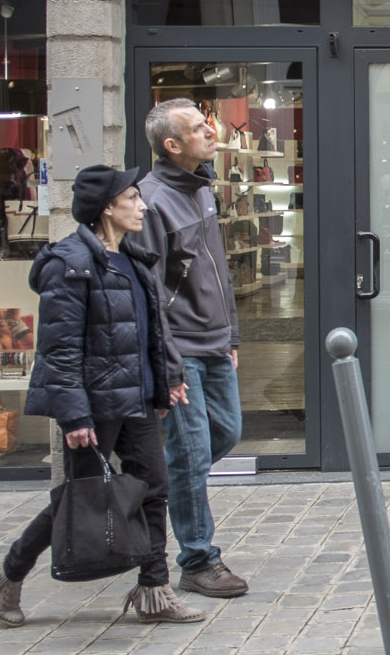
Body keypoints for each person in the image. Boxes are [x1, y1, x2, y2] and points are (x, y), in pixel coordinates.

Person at [0, 165, 202, 626]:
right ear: (107, 207)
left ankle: (153, 591)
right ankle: (8, 573)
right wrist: (74, 416)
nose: (143, 206)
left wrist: (169, 378)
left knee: (153, 489)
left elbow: (153, 332)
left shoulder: (135, 259)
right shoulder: (70, 264)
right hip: (94, 405)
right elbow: (59, 351)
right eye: (133, 198)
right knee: (81, 498)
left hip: (137, 398)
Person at [136, 98, 249, 597]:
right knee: (192, 452)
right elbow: (151, 291)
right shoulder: (151, 201)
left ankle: (156, 477)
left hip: (215, 343)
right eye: (200, 128)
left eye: (208, 124)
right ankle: (199, 559)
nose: (211, 132)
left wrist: (232, 336)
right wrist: (169, 365)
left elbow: (216, 271)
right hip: (180, 349)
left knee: (225, 433)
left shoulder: (202, 190)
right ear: (171, 145)